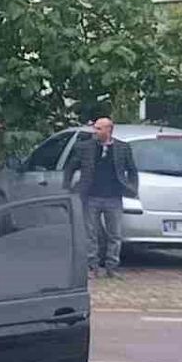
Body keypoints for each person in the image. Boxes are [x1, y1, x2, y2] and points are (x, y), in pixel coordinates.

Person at [63, 117, 139, 278]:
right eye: (95, 128)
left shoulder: (122, 148)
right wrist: (68, 186)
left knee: (115, 234)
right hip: (91, 196)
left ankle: (112, 267)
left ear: (109, 130)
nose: (95, 132)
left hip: (113, 196)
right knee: (91, 233)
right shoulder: (85, 147)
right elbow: (70, 167)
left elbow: (132, 169)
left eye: (99, 129)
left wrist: (132, 187)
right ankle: (92, 266)